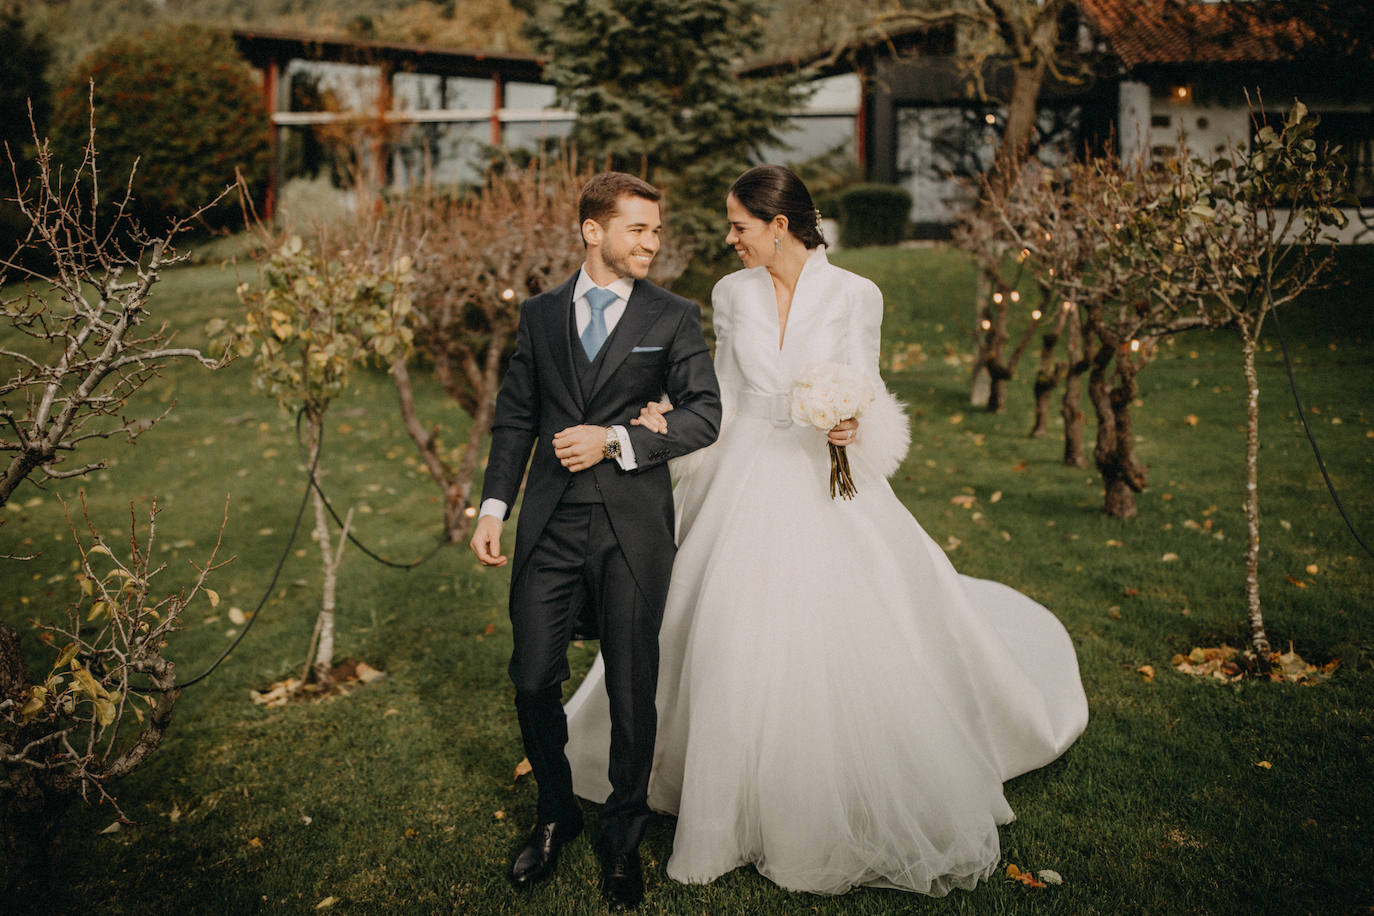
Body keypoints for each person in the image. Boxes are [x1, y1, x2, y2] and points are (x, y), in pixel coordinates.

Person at [562, 165, 1089, 896]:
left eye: (739, 225)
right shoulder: (729, 292)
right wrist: (668, 435)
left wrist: (852, 420)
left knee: (844, 624)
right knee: (716, 623)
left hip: (819, 472)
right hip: (740, 471)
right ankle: (711, 792)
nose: (730, 237)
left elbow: (866, 389)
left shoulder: (855, 294)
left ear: (778, 225)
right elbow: (720, 397)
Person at [470, 171, 721, 909]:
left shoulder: (673, 316)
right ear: (592, 230)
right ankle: (555, 814)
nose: (652, 242)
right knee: (530, 675)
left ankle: (622, 836)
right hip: (548, 525)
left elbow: (705, 413)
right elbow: (516, 417)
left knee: (632, 687)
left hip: (632, 528)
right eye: (637, 229)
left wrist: (614, 439)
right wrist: (492, 506)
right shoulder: (541, 315)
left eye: (655, 229)